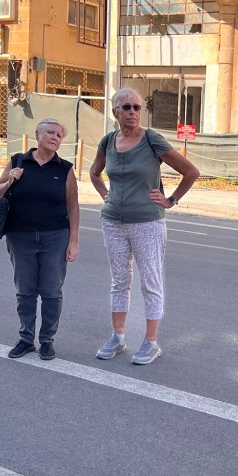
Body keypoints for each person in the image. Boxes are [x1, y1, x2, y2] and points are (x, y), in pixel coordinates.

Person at [88, 88, 199, 365]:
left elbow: (191, 171)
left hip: (148, 222)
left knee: (151, 283)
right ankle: (118, 337)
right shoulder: (108, 141)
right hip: (113, 222)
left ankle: (151, 342)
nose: (133, 112)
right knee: (119, 282)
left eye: (137, 107)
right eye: (126, 107)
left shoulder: (151, 139)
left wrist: (170, 200)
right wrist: (105, 194)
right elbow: (94, 173)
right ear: (115, 111)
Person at [0, 118, 79, 361]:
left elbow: (73, 207)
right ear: (37, 134)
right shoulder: (18, 161)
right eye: (50, 132)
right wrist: (11, 179)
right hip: (20, 236)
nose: (54, 137)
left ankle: (47, 340)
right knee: (25, 291)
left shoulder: (64, 169)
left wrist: (73, 241)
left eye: (59, 135)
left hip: (55, 237)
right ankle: (26, 339)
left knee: (51, 291)